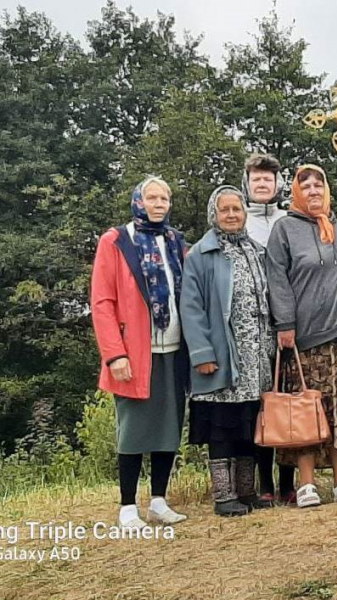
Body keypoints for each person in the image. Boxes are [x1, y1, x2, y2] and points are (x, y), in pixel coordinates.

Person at [266, 164, 337, 509]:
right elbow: (277, 279)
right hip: (307, 336)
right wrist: (285, 323)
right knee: (307, 410)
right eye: (305, 185)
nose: (313, 190)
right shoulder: (285, 229)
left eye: (318, 185)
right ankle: (307, 483)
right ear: (295, 192)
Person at [91, 176, 189, 528]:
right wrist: (114, 354)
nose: (160, 203)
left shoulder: (176, 241)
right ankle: (127, 505)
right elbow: (102, 301)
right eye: (152, 197)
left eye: (165, 197)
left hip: (174, 349)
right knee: (132, 429)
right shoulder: (116, 240)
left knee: (168, 426)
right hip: (134, 352)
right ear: (138, 201)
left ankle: (159, 500)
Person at [180, 185, 276, 517]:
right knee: (221, 425)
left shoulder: (256, 250)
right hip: (221, 355)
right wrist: (202, 353)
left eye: (237, 209)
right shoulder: (201, 255)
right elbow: (190, 308)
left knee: (248, 423)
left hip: (255, 358)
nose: (232, 215)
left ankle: (247, 491)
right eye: (225, 210)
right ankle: (224, 495)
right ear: (214, 215)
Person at [240, 153, 296, 507]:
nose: (263, 184)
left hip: (288, 324)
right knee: (260, 405)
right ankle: (263, 483)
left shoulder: (289, 221)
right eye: (257, 179)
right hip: (252, 329)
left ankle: (289, 482)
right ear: (247, 183)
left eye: (268, 179)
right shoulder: (238, 221)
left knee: (288, 402)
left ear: (278, 183)